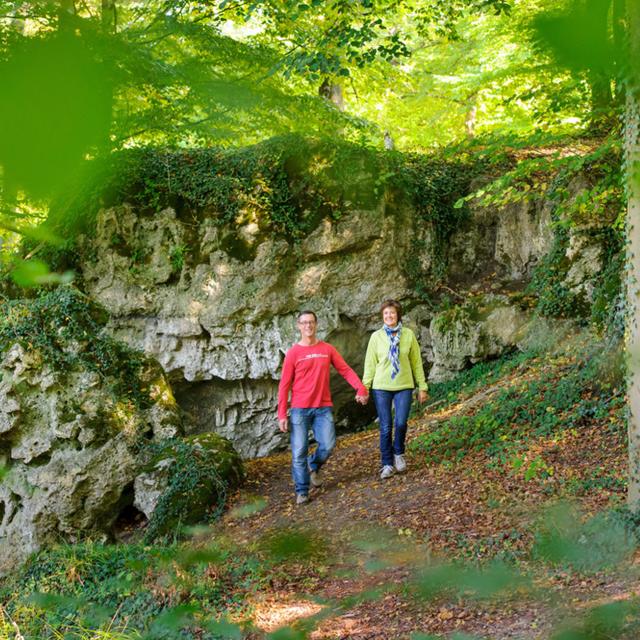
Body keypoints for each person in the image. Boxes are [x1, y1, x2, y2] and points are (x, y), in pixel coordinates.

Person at [278, 310, 369, 505]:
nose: (308, 326)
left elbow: (344, 369)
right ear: (298, 326)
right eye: (304, 323)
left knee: (328, 444)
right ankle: (302, 491)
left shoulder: (327, 349)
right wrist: (281, 414)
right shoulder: (293, 353)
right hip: (299, 410)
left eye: (311, 322)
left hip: (323, 407)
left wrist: (360, 387)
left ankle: (314, 465)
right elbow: (284, 384)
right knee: (299, 451)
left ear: (316, 324)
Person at [363, 299, 428, 479]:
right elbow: (370, 365)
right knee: (385, 426)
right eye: (385, 314)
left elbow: (416, 363)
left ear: (398, 315)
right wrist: (364, 388)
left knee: (400, 422)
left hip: (404, 386)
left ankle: (398, 453)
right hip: (381, 387)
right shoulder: (376, 337)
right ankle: (387, 464)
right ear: (382, 316)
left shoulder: (408, 335)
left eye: (392, 313)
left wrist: (422, 386)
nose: (389, 316)